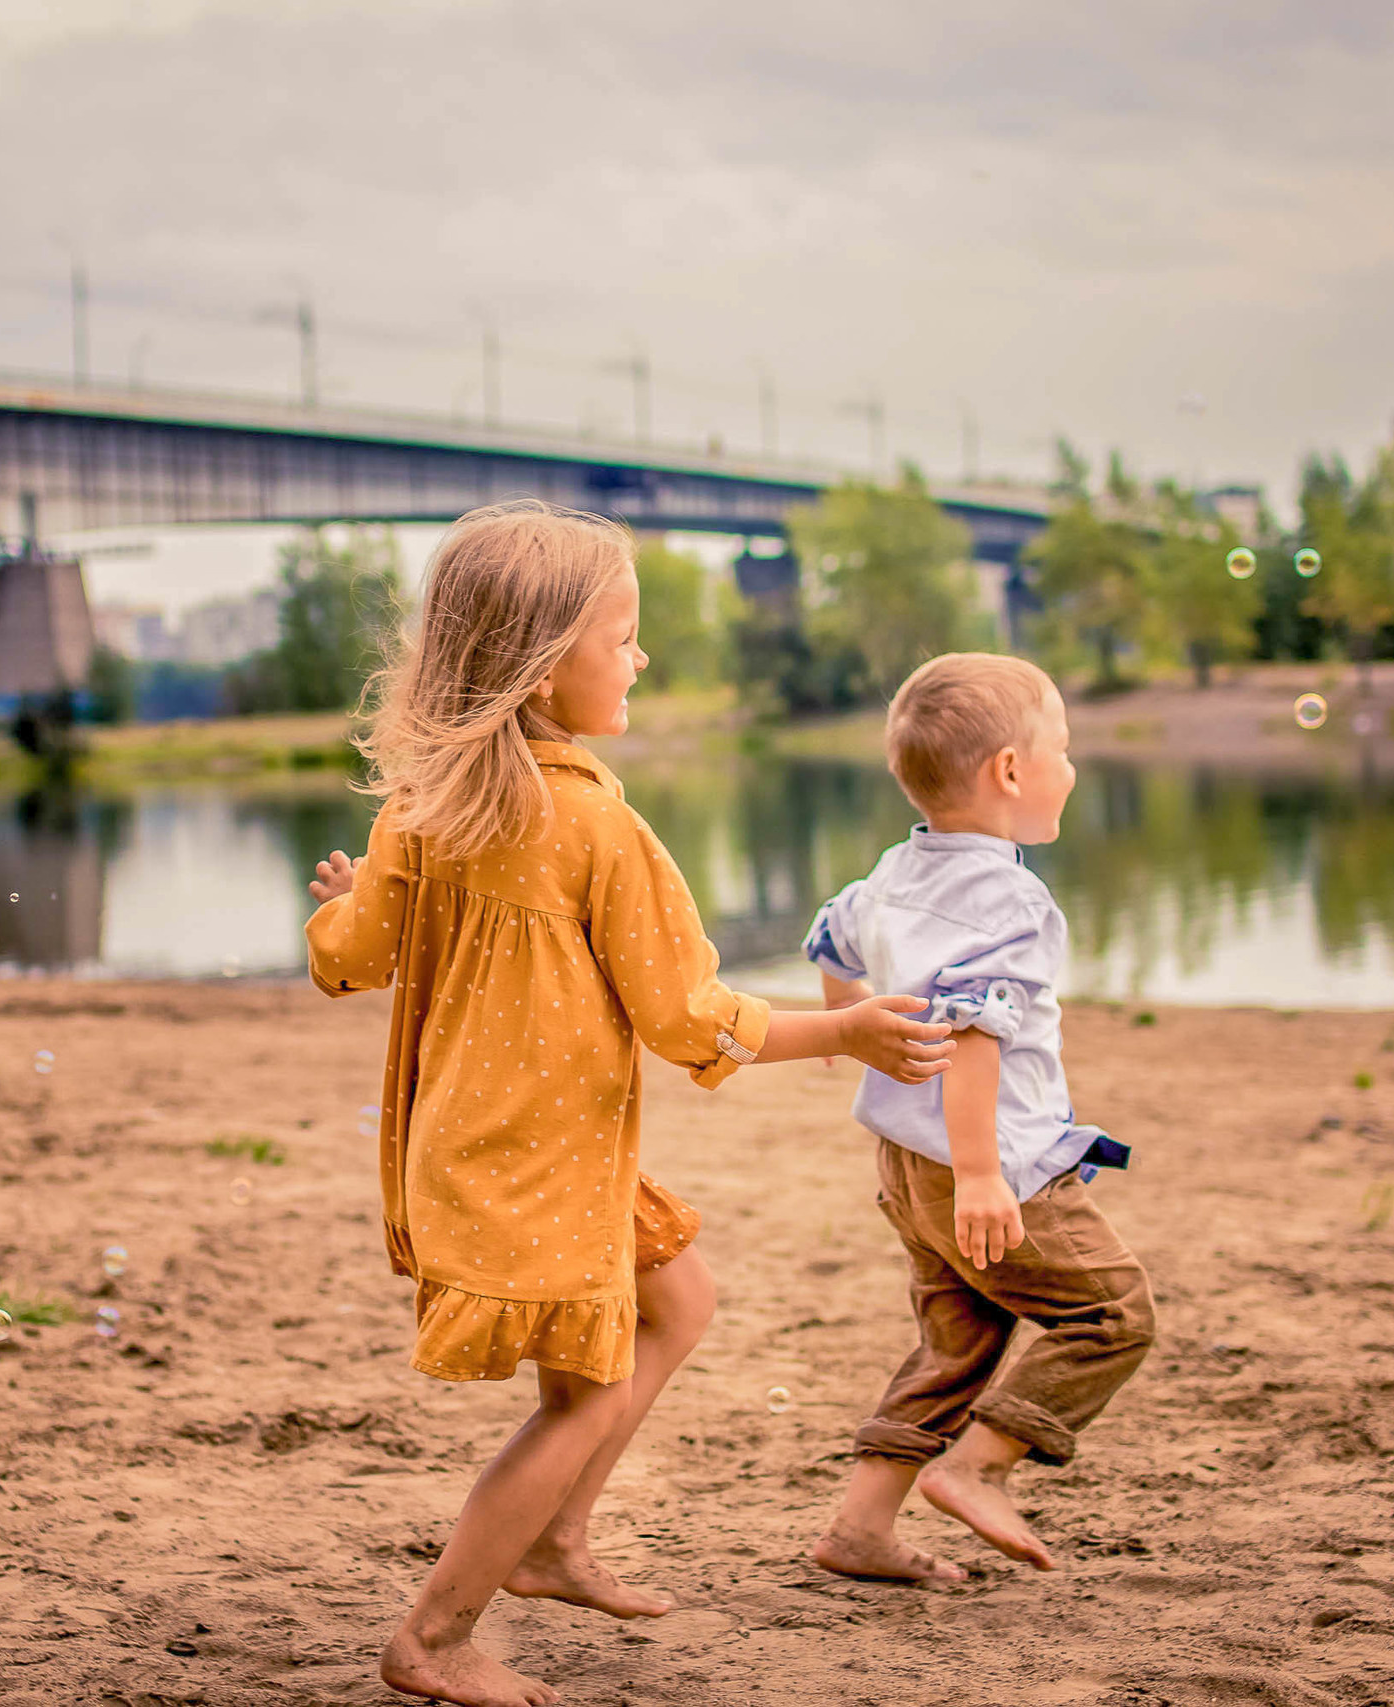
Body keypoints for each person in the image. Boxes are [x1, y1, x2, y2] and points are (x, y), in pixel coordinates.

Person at [304, 499, 955, 1707]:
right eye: (624, 637)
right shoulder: (595, 824)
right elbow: (686, 1018)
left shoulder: (422, 807)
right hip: (534, 1156)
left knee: (680, 1299)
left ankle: (554, 1541)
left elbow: (351, 957)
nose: (641, 658)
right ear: (546, 664)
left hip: (487, 1144)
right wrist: (845, 1026)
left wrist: (344, 899)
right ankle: (434, 1637)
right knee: (585, 1391)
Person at [800, 651, 1156, 1583]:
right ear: (1010, 770)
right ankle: (977, 1467)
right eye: (1062, 749)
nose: (1071, 767)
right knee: (1112, 1311)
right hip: (990, 1161)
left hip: (904, 1161)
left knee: (955, 1342)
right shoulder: (1011, 899)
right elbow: (972, 1034)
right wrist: (984, 1173)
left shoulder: (897, 866)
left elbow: (832, 931)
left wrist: (846, 1023)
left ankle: (860, 1527)